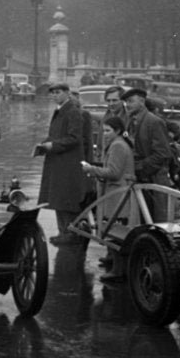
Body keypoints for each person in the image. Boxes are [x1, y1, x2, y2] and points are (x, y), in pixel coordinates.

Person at [81, 115, 135, 282]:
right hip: (118, 190)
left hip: (118, 192)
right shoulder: (118, 143)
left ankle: (118, 270)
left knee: (116, 230)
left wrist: (91, 170)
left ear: (117, 131)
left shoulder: (118, 146)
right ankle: (112, 259)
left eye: (107, 131)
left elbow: (114, 173)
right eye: (103, 131)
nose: (104, 134)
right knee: (114, 228)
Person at [36, 82, 87, 245]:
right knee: (58, 199)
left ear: (67, 93)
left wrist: (53, 145)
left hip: (68, 163)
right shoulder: (59, 111)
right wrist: (43, 145)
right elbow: (55, 134)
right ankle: (63, 231)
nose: (54, 95)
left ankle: (70, 233)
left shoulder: (72, 112)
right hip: (57, 161)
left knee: (67, 199)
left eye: (57, 92)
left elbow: (74, 138)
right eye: (52, 93)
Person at [123, 88, 175, 221]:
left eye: (131, 101)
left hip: (155, 178)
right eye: (126, 102)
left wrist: (140, 167)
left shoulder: (154, 122)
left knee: (157, 220)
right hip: (140, 178)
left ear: (142, 102)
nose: (127, 105)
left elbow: (163, 153)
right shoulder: (129, 121)